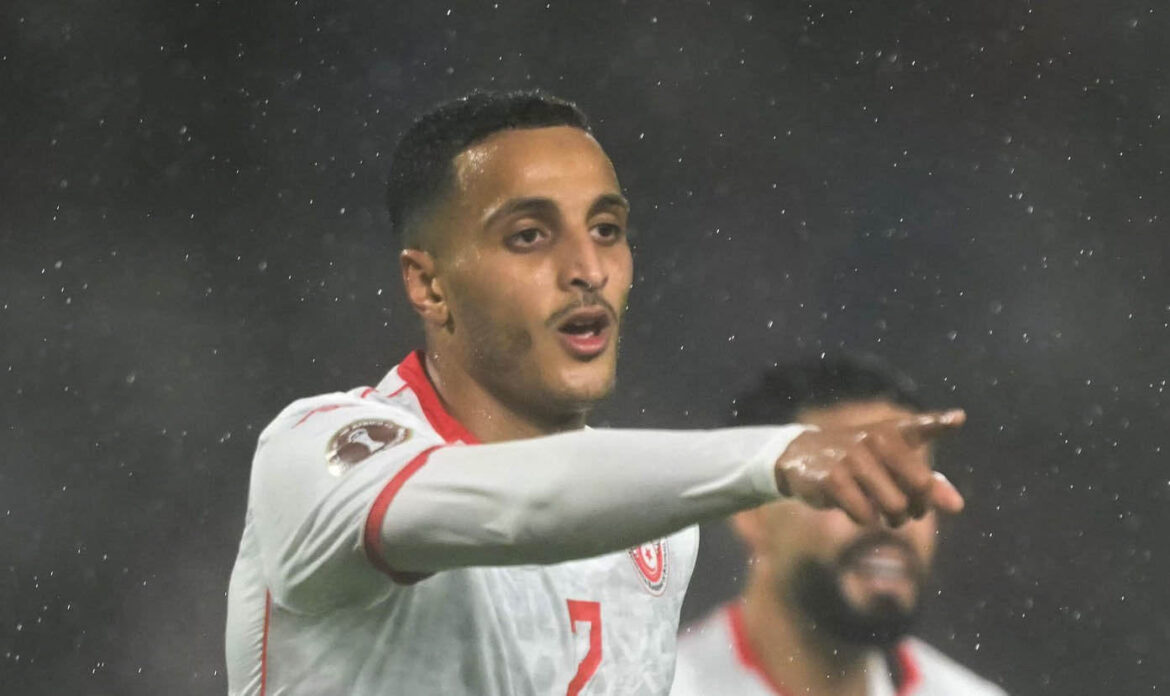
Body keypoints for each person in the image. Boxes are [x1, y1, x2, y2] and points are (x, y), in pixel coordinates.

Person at [224, 91, 967, 695]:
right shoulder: (314, 456)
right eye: (528, 235)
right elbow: (520, 506)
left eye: (607, 229)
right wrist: (774, 455)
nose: (587, 268)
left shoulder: (656, 533)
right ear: (428, 284)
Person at [671, 356, 1005, 696]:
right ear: (751, 511)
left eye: (912, 487)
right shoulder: (660, 687)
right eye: (853, 484)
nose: (894, 516)